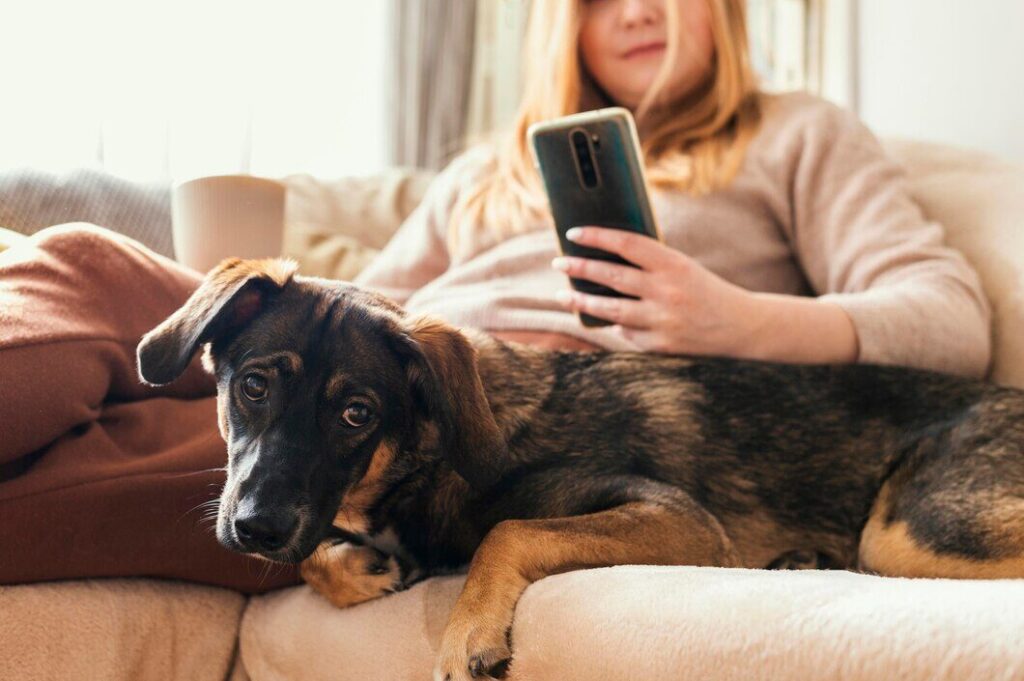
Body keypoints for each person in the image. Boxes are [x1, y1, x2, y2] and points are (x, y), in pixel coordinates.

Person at [0, 0, 990, 592]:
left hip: (484, 418)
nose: (635, 12)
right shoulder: (488, 170)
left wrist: (739, 317)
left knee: (67, 434)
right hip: (335, 376)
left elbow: (949, 318)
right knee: (89, 262)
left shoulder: (793, 136)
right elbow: (367, 306)